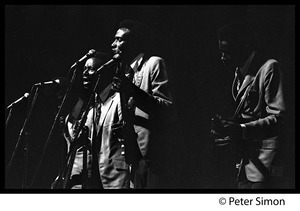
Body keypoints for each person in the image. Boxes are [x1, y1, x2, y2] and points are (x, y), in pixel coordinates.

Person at [211, 21, 287, 189]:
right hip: (246, 163)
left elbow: (279, 119)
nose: (222, 58)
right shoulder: (239, 73)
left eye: (227, 51)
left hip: (266, 164)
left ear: (241, 46)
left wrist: (239, 129)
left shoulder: (269, 67)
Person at [110, 19, 182, 189]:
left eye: (120, 39)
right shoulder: (126, 72)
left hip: (155, 160)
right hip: (135, 160)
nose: (113, 44)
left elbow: (167, 108)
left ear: (135, 42)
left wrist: (132, 90)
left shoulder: (154, 63)